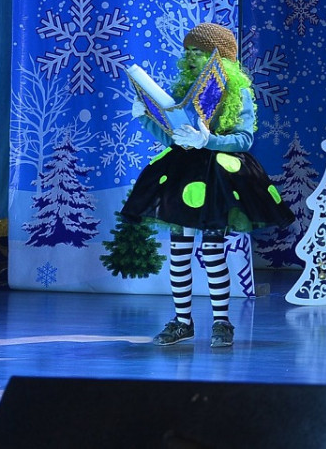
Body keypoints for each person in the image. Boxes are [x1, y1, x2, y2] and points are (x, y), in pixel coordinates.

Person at [121, 22, 294, 348]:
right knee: (179, 252)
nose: (189, 57)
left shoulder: (238, 92)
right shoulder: (184, 90)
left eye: (197, 52)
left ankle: (221, 322)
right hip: (183, 176)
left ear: (218, 57)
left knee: (213, 252)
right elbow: (172, 137)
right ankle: (182, 321)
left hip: (217, 179)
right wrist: (146, 118)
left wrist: (208, 140)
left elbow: (244, 139)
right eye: (187, 51)